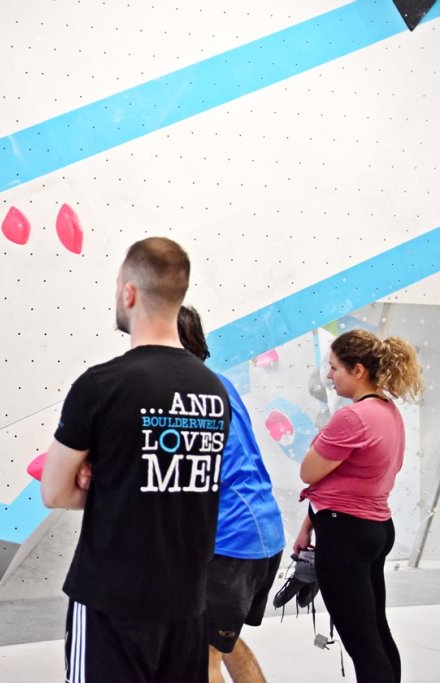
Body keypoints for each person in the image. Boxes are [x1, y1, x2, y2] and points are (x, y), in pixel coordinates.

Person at [40, 237, 229, 682]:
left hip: (111, 601)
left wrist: (110, 482)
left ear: (129, 293)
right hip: (186, 603)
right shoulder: (213, 391)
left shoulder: (101, 385)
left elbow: (54, 491)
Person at [293, 329, 423, 682]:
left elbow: (309, 471)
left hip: (345, 532)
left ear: (358, 370)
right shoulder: (388, 411)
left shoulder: (352, 418)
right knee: (376, 632)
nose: (329, 376)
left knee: (362, 643)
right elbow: (347, 479)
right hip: (375, 527)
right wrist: (309, 523)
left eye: (335, 368)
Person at [177, 305, 285, 683]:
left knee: (200, 659)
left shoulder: (182, 391)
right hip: (262, 531)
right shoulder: (219, 382)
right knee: (224, 641)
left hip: (231, 540)